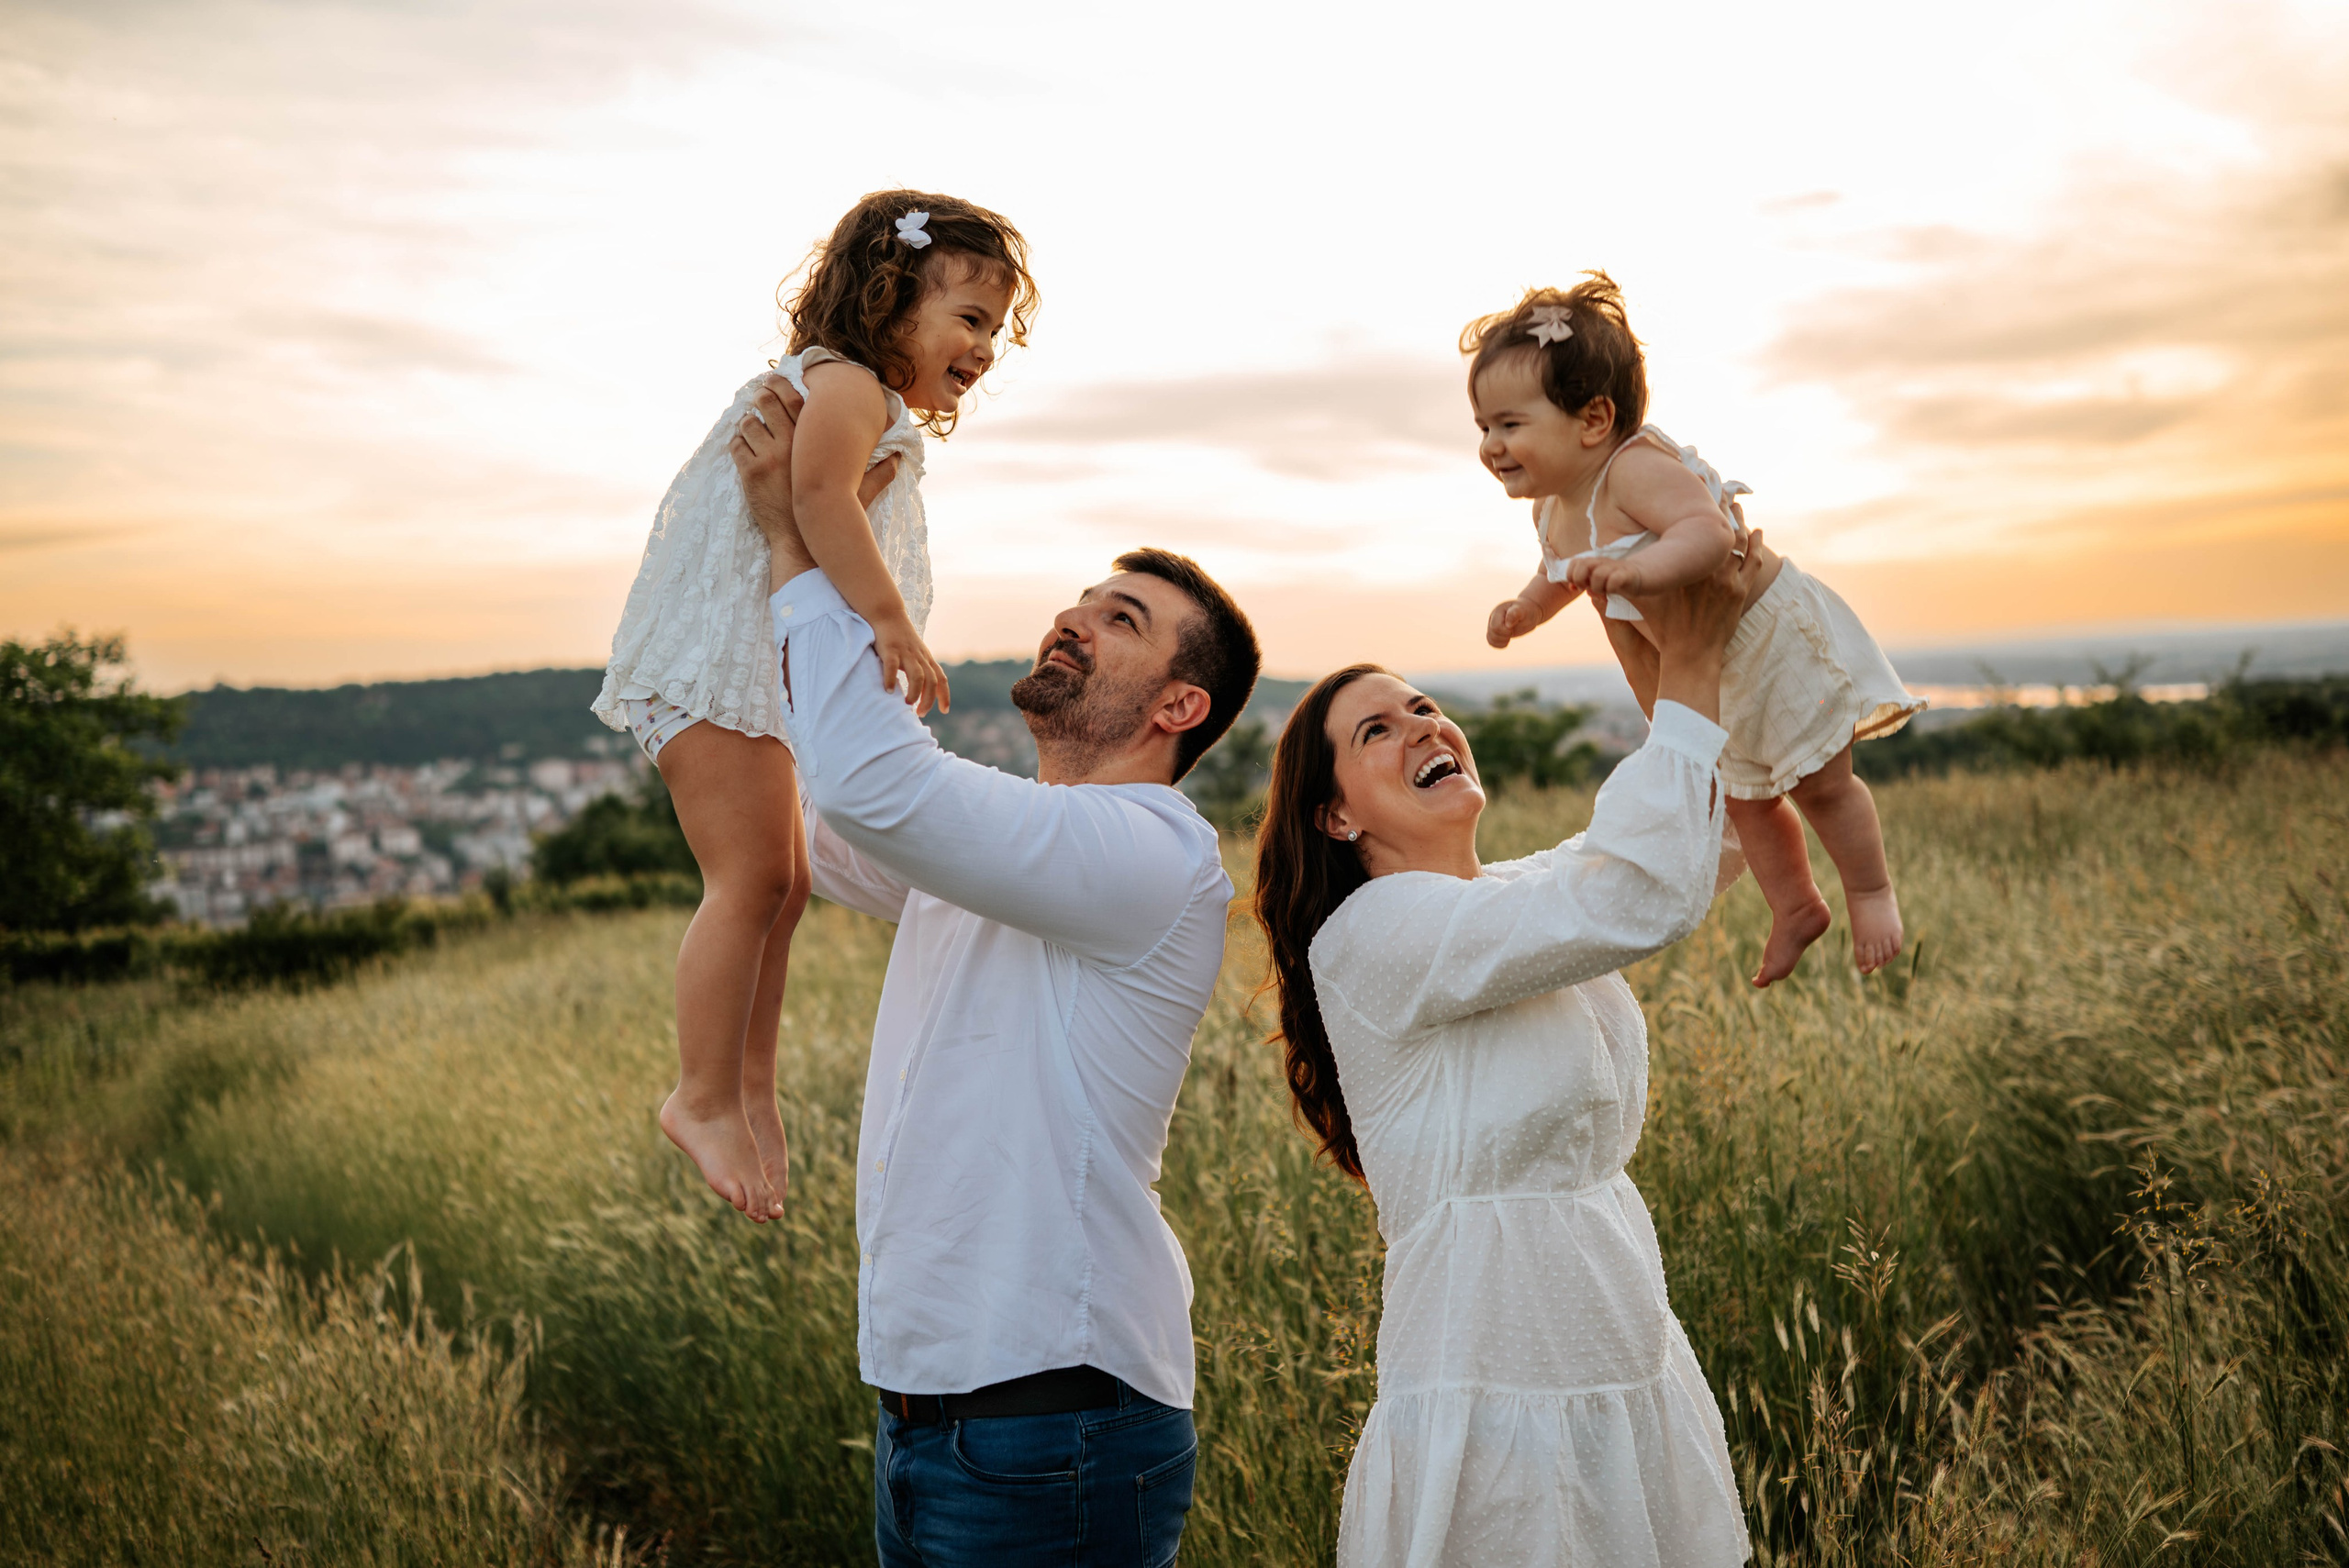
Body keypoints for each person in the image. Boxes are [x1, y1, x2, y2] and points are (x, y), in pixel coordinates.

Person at [727, 369, 1262, 1567]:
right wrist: (779, 544)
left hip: (1055, 1427)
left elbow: (877, 783)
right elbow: (811, 828)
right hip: (935, 1421)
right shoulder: (1012, 849)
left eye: (1119, 618)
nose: (1071, 618)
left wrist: (809, 537)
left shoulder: (1149, 851)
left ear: (1181, 702)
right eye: (1078, 600)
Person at [1253, 548, 1764, 1566]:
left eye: (1424, 706)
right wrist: (1690, 672)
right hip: (1496, 1378)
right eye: (1377, 730)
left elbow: (1706, 842)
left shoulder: (1505, 900)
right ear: (1336, 814)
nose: (1423, 727)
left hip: (1618, 1346)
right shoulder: (1373, 934)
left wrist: (1678, 625)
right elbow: (1636, 890)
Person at [593, 190, 1040, 1221]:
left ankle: (750, 1087)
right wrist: (892, 622)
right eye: (967, 320)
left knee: (785, 885)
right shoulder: (846, 387)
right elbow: (817, 501)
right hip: (714, 666)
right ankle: (700, 1093)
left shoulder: (845, 389)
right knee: (748, 878)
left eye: (994, 330)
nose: (983, 349)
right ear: (887, 303)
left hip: (741, 669)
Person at [1472, 274, 1924, 986]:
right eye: (1484, 427)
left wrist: (1648, 572)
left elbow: (1707, 534)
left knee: (1823, 783)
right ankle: (1795, 902)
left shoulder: (1634, 470)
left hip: (1765, 641)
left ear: (1593, 419)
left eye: (1510, 423)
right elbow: (1561, 570)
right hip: (1713, 666)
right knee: (1746, 799)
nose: (1492, 444)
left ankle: (1870, 892)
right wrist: (1528, 607)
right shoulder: (1557, 507)